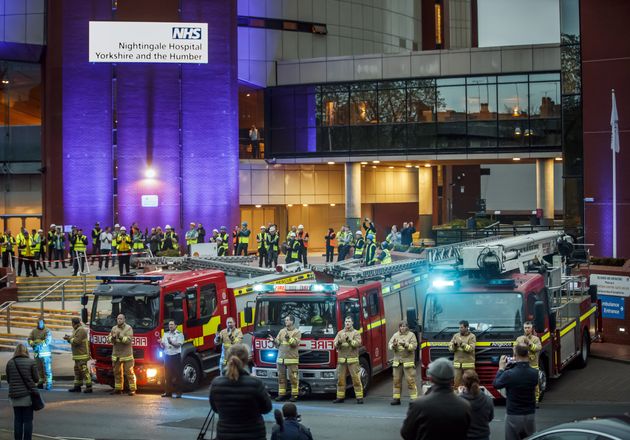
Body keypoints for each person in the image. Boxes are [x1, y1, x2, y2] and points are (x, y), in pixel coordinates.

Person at [209, 344, 272, 440]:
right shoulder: (255, 383)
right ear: (246, 360)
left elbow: (215, 409)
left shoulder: (216, 383)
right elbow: (267, 408)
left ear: (227, 358)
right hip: (254, 435)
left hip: (225, 435)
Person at [401, 357, 471, 440]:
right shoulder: (465, 406)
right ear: (452, 378)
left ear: (431, 378)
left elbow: (406, 433)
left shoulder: (418, 405)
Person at [493, 344, 539, 440]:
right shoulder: (534, 373)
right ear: (527, 354)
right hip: (530, 414)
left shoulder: (509, 374)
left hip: (513, 414)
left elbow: (496, 384)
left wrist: (501, 368)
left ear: (515, 355)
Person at [6, 344, 40, 440]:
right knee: (28, 420)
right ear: (26, 351)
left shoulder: (10, 363)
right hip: (27, 395)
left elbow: (9, 380)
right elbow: (36, 379)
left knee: (18, 420)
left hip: (14, 396)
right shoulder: (31, 362)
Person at [269, 315, 301, 402]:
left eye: (287, 320)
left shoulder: (297, 332)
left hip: (292, 359)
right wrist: (273, 340)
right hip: (280, 359)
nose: (285, 321)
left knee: (293, 377)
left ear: (292, 322)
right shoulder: (282, 331)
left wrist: (288, 338)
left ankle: (294, 395)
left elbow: (294, 344)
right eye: (285, 320)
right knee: (281, 377)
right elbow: (278, 343)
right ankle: (281, 394)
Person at [332, 316, 364, 404]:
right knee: (340, 379)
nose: (347, 323)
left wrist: (348, 340)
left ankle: (359, 397)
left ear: (352, 323)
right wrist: (338, 342)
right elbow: (334, 344)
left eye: (349, 321)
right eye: (346, 321)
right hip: (342, 361)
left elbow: (357, 344)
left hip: (352, 360)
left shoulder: (356, 333)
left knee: (356, 379)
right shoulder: (340, 333)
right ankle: (340, 397)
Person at [458, 370, 494, 440]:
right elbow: (490, 418)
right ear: (478, 381)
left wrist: (460, 394)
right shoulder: (488, 399)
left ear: (464, 384)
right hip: (483, 436)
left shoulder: (459, 401)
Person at [389, 320, 418, 405]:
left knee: (410, 381)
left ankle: (414, 399)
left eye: (404, 326)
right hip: (397, 363)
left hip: (408, 363)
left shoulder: (411, 335)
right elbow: (389, 345)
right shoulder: (395, 335)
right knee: (396, 381)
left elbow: (414, 346)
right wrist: (393, 345)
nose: (402, 328)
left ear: (407, 327)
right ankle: (396, 398)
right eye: (401, 326)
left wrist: (405, 344)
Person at [108, 314, 136, 395]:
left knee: (129, 372)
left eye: (121, 319)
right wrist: (112, 338)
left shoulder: (128, 328)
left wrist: (120, 337)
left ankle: (132, 389)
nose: (119, 320)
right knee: (116, 372)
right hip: (116, 354)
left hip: (126, 354)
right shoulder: (114, 328)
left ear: (124, 320)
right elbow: (109, 339)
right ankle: (118, 389)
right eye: (118, 319)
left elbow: (128, 340)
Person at [515, 321, 542, 403]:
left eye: (528, 328)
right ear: (523, 328)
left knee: (535, 384)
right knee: (521, 383)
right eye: (525, 328)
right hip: (521, 365)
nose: (527, 329)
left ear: (532, 328)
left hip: (533, 365)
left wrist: (529, 343)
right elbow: (515, 350)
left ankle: (536, 400)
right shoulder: (519, 339)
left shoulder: (536, 339)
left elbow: (538, 348)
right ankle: (523, 400)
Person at [64, 317, 92, 393]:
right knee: (77, 371)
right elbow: (74, 339)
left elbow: (77, 341)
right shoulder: (76, 330)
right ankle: (77, 386)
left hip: (82, 355)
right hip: (77, 355)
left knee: (84, 371)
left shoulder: (81, 330)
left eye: (72, 323)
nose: (72, 325)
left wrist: (68, 339)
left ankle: (89, 387)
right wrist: (69, 338)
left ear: (74, 323)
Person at [160, 320, 184, 398]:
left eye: (172, 325)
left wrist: (171, 342)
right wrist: (161, 343)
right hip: (167, 356)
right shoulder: (166, 334)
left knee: (177, 375)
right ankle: (168, 392)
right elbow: (163, 346)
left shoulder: (179, 334)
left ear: (176, 326)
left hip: (175, 356)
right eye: (169, 325)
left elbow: (178, 345)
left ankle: (178, 392)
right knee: (167, 375)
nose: (170, 326)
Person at [449, 320, 476, 388]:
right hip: (457, 366)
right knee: (456, 385)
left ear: (467, 327)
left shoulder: (472, 336)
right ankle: (457, 398)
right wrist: (454, 345)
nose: (460, 329)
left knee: (469, 384)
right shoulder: (456, 336)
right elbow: (450, 349)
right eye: (459, 327)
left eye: (461, 327)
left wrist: (461, 344)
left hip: (468, 366)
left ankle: (470, 397)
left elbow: (470, 349)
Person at [28, 318, 52, 390]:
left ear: (44, 323)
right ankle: (41, 382)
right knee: (39, 369)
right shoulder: (34, 331)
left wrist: (38, 344)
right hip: (37, 353)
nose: (39, 324)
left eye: (41, 323)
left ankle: (49, 383)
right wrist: (33, 344)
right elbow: (29, 339)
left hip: (45, 354)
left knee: (47, 369)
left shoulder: (47, 331)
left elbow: (47, 341)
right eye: (38, 323)